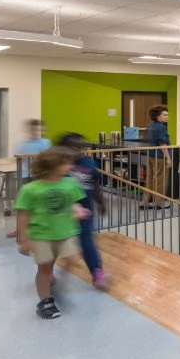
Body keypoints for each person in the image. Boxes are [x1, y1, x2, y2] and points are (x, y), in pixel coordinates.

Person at [14, 147, 91, 319]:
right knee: (44, 268)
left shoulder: (70, 183)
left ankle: (53, 277)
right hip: (41, 235)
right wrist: (25, 240)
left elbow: (73, 203)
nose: (70, 166)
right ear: (52, 165)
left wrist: (78, 210)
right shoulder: (30, 189)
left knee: (72, 259)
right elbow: (24, 215)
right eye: (66, 163)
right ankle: (45, 301)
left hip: (66, 232)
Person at [55, 133, 109, 290]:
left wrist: (101, 202)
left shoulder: (88, 163)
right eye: (71, 147)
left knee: (86, 239)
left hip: (85, 210)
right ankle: (48, 271)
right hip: (61, 210)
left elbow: (94, 184)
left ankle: (97, 271)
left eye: (79, 148)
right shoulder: (56, 164)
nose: (76, 151)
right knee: (55, 241)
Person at [8, 120, 53, 239]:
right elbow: (17, 157)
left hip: (40, 176)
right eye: (32, 129)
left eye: (37, 129)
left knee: (41, 204)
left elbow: (47, 158)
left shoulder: (45, 143)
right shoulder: (23, 144)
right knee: (23, 204)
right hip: (25, 176)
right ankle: (20, 229)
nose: (35, 132)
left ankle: (42, 228)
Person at [141, 105, 172, 210]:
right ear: (158, 116)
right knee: (160, 180)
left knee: (149, 179)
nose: (167, 117)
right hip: (159, 157)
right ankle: (159, 202)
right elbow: (162, 143)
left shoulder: (150, 126)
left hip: (150, 155)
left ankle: (144, 202)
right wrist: (168, 158)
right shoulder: (161, 127)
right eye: (165, 115)